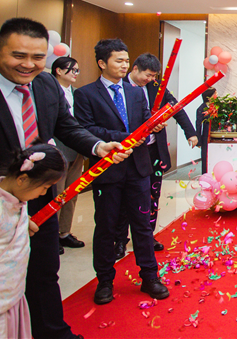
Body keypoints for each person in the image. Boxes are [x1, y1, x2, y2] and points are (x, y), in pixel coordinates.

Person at [0, 18, 129, 339]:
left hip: (41, 198)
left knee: (44, 271)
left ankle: (53, 332)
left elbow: (66, 126)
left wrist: (98, 146)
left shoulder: (45, 85)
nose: (28, 65)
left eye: (38, 57)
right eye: (18, 55)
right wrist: (4, 213)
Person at [73, 39, 169, 305]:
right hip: (107, 170)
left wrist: (153, 126)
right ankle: (104, 280)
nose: (125, 65)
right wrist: (124, 137)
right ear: (102, 63)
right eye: (119, 60)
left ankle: (150, 277)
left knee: (142, 226)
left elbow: (144, 121)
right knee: (107, 227)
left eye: (126, 61)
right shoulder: (86, 94)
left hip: (138, 169)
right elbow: (86, 129)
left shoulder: (136, 93)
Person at [0, 144, 66, 339]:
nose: (43, 194)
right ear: (22, 179)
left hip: (12, 294)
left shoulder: (18, 201)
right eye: (44, 188)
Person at [112, 54, 198, 258]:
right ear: (135, 69)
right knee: (124, 198)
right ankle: (120, 240)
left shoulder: (156, 87)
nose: (150, 80)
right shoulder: (120, 88)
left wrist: (190, 132)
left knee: (152, 195)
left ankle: (147, 236)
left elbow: (176, 108)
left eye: (153, 76)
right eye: (147, 75)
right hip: (128, 151)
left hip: (152, 151)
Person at [50, 57, 86, 254]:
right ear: (58, 70)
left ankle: (64, 232)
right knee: (56, 194)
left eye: (77, 70)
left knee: (72, 192)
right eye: (72, 70)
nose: (75, 74)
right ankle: (51, 234)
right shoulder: (48, 92)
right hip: (57, 149)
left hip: (77, 149)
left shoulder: (77, 93)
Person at [196, 88, 217, 175]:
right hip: (205, 136)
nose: (217, 95)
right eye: (215, 94)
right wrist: (198, 141)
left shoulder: (216, 107)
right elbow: (198, 125)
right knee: (205, 157)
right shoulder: (201, 108)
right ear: (209, 97)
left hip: (215, 136)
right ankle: (205, 175)